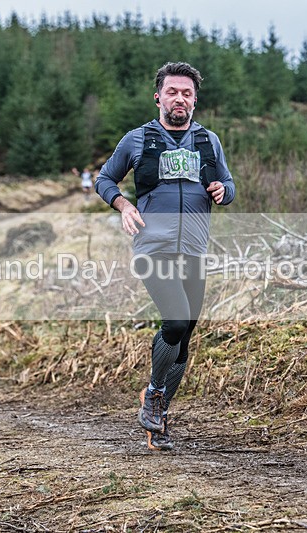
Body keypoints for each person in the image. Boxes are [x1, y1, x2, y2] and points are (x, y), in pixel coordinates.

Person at [95, 62, 236, 450]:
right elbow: (104, 180)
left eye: (187, 93)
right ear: (158, 96)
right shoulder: (137, 139)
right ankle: (155, 393)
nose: (180, 99)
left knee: (185, 339)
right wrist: (124, 205)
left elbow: (228, 181)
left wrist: (224, 191)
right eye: (173, 92)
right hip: (152, 246)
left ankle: (156, 419)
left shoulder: (208, 141)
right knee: (174, 323)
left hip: (194, 248)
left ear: (195, 100)